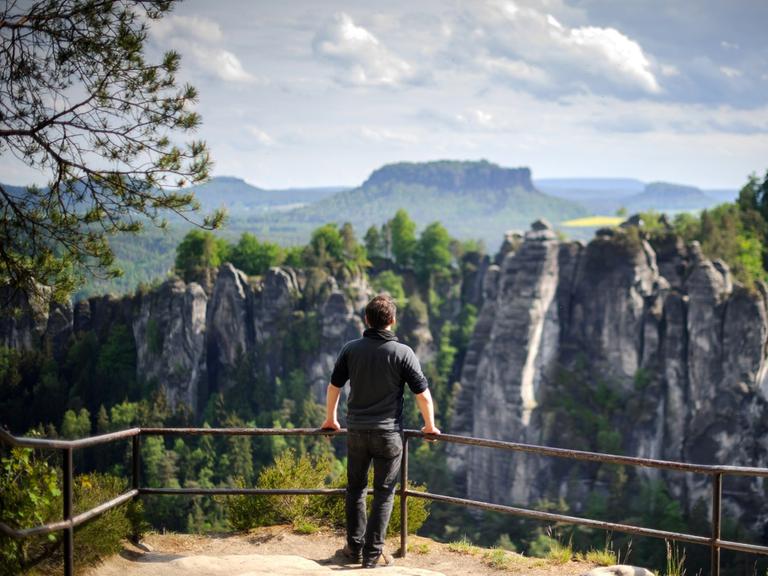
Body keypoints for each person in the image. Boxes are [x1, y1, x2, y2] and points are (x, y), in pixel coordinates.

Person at [320, 294, 440, 568]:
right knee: (384, 493)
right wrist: (430, 425)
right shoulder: (403, 352)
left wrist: (331, 419)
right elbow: (422, 394)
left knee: (356, 490)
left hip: (358, 431)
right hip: (388, 435)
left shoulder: (351, 349)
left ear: (366, 319)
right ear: (392, 321)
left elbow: (334, 386)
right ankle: (372, 556)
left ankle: (354, 549)